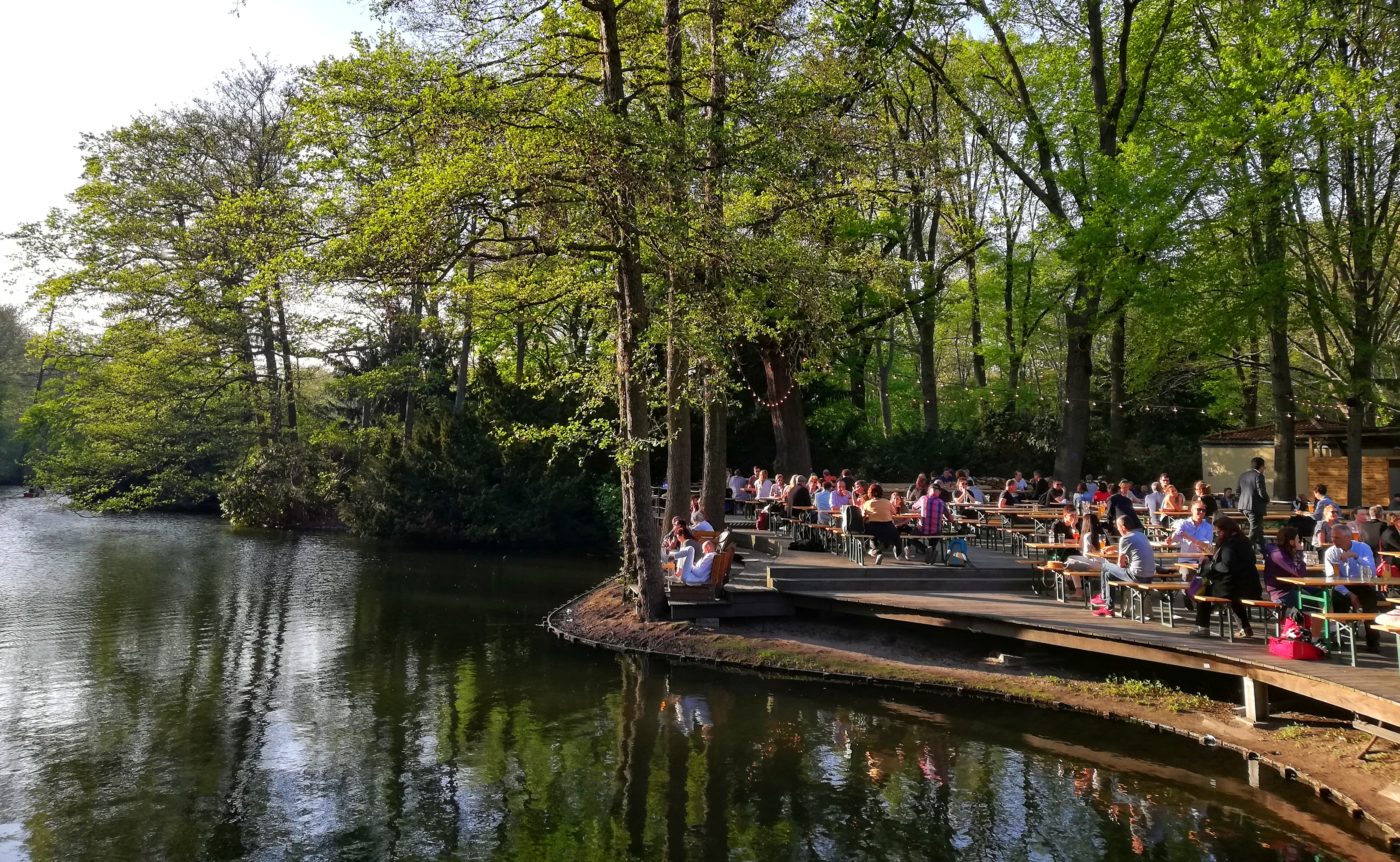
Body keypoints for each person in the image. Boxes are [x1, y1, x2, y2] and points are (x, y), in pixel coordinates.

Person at [1188, 516, 1260, 638]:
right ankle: (1245, 627)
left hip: (1234, 586)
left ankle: (1203, 627)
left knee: (1203, 593)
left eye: (1219, 531)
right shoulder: (1244, 541)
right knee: (1233, 598)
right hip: (1252, 586)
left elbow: (1227, 566)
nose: (1218, 534)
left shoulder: (1229, 544)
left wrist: (1210, 566)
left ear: (1227, 530)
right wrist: (1212, 559)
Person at [1323, 524, 1381, 652]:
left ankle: (1372, 640)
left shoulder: (1362, 548)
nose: (1333, 540)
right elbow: (1333, 579)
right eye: (1332, 537)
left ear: (1348, 537)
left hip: (1362, 585)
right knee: (1336, 598)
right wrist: (1350, 594)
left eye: (1337, 538)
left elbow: (1372, 571)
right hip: (1342, 586)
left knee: (1370, 602)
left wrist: (1355, 556)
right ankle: (1339, 634)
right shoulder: (1331, 552)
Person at [1261, 526, 1323, 641]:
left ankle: (1331, 630)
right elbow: (1300, 573)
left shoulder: (1282, 551)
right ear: (1291, 541)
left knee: (1323, 593)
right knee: (1319, 603)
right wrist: (1300, 552)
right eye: (1298, 540)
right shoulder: (1278, 554)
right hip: (1281, 594)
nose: (1300, 543)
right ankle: (1315, 638)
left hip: (1292, 587)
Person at [1093, 515, 1156, 617]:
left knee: (1105, 566)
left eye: (1117, 526)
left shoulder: (1125, 538)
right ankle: (1108, 608)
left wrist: (1117, 563)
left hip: (1137, 576)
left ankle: (1103, 597)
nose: (1117, 529)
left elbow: (1120, 564)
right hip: (1149, 576)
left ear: (1123, 527)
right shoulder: (1141, 535)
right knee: (1108, 575)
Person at [1064, 512, 1108, 599]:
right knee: (1071, 559)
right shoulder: (1103, 532)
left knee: (1071, 562)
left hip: (1095, 564)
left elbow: (1087, 555)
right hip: (1104, 562)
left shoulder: (1088, 535)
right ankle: (1077, 589)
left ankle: (1078, 591)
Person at [861, 483, 901, 565]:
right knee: (894, 538)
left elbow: (862, 515)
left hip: (874, 527)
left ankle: (875, 552)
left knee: (871, 538)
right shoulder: (886, 502)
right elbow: (894, 512)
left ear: (870, 493)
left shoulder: (867, 503)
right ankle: (897, 554)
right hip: (889, 527)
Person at [1236, 456, 1269, 550]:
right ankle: (1243, 550)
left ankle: (1264, 552)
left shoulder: (1243, 475)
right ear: (1261, 466)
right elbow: (1261, 492)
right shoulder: (1259, 476)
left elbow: (1238, 491)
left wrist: (1243, 501)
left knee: (1259, 531)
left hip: (1244, 506)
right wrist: (1267, 500)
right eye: (1264, 467)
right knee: (1254, 532)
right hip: (1255, 507)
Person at [1172, 502, 1214, 567]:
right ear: (1192, 510)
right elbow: (1175, 539)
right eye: (1198, 509)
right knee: (1188, 573)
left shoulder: (1208, 527)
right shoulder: (1183, 524)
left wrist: (1189, 538)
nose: (1201, 512)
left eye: (1203, 510)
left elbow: (1208, 547)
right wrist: (1171, 538)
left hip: (1202, 561)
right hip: (1186, 561)